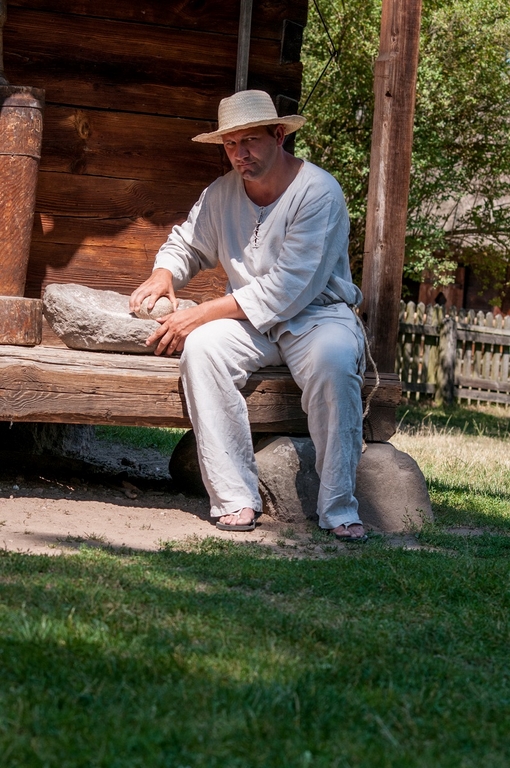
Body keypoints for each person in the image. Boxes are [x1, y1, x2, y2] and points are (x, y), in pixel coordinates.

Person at [129, 89, 367, 541]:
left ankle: (338, 507)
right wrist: (164, 274)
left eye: (250, 141)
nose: (240, 153)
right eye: (230, 144)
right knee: (202, 349)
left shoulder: (319, 192)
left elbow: (289, 287)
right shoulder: (221, 193)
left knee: (335, 362)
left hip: (317, 316)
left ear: (278, 135)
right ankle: (234, 497)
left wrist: (201, 313)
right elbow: (188, 243)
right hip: (249, 321)